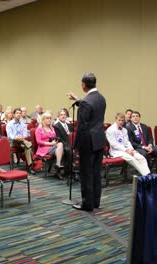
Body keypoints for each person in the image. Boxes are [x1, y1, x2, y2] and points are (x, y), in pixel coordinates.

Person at [67, 72, 106, 212]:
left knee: (86, 173)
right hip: (100, 139)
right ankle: (95, 201)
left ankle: (87, 204)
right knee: (96, 172)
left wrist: (76, 145)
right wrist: (77, 99)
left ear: (83, 85)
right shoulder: (101, 98)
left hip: (87, 142)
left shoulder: (86, 102)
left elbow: (82, 126)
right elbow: (90, 107)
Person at [35, 112, 65, 178]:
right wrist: (50, 143)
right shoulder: (39, 129)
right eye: (47, 118)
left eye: (50, 118)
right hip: (44, 148)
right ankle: (58, 166)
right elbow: (38, 141)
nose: (49, 120)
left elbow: (55, 138)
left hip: (53, 147)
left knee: (61, 146)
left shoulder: (52, 128)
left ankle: (58, 166)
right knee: (60, 146)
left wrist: (55, 141)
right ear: (43, 120)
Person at [6, 108, 35, 174]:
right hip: (13, 142)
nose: (19, 114)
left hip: (22, 142)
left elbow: (25, 134)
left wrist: (22, 137)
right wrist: (16, 137)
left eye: (20, 113)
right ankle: (31, 147)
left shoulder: (23, 124)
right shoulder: (9, 124)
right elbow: (9, 135)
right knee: (28, 145)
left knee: (27, 147)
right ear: (13, 114)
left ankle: (30, 167)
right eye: (17, 113)